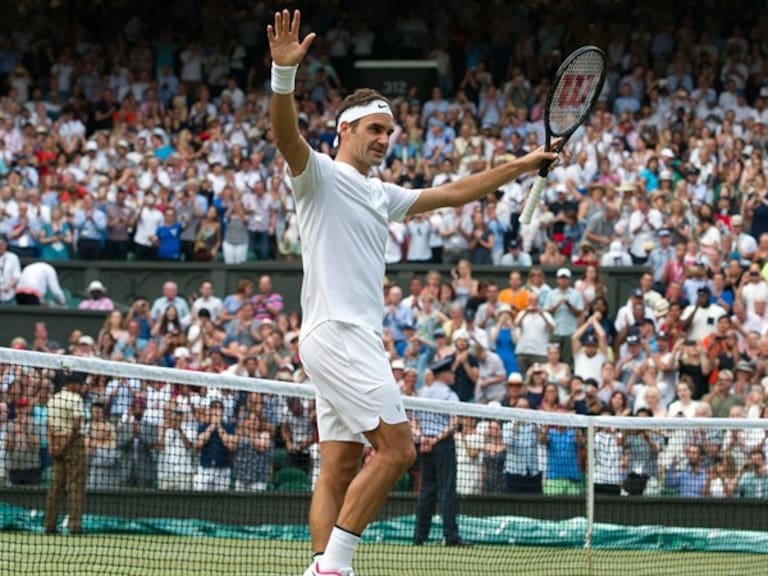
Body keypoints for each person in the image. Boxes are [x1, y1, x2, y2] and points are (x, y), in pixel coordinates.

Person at [267, 10, 556, 575]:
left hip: (346, 340)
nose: (384, 139)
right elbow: (286, 135)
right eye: (374, 129)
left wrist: (522, 165)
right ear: (345, 130)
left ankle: (319, 569)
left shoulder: (383, 194)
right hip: (338, 334)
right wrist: (283, 77)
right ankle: (333, 568)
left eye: (389, 132)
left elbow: (453, 193)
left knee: (340, 465)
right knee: (399, 451)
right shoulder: (319, 175)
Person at [413, 357, 467, 546]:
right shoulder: (450, 395)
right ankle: (450, 536)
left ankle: (419, 537)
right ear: (443, 374)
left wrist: (423, 438)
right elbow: (455, 422)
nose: (453, 375)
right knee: (447, 490)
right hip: (442, 445)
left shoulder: (422, 394)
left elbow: (415, 421)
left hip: (426, 446)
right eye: (451, 372)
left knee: (426, 491)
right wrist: (436, 439)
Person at [44, 373, 87, 535]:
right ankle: (75, 526)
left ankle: (49, 525)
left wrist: (52, 445)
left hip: (55, 443)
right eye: (80, 384)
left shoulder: (53, 399)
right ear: (73, 384)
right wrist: (64, 445)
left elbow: (48, 425)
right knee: (76, 485)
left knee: (55, 487)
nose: (81, 388)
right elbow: (75, 426)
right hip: (72, 444)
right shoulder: (75, 399)